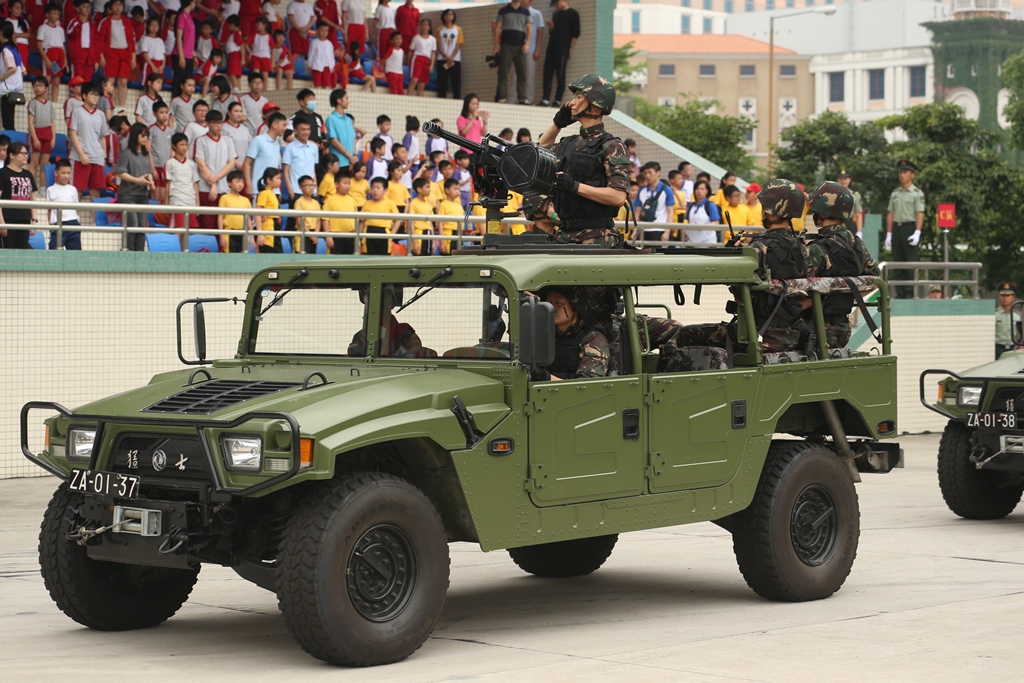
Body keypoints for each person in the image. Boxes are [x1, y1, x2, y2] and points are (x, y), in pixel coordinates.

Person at [676, 180, 813, 355]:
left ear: (769, 211)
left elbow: (741, 299)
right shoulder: (805, 249)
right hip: (793, 333)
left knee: (684, 334)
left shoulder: (756, 249)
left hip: (756, 335)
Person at [531, 74, 629, 248]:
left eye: (579, 97)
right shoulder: (568, 143)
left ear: (596, 106)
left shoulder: (612, 146)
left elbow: (618, 196)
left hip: (597, 240)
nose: (572, 103)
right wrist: (557, 123)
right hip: (563, 237)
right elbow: (538, 152)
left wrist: (574, 186)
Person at [802, 181, 880, 348]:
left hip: (814, 331)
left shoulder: (817, 249)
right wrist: (845, 292)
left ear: (822, 212)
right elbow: (875, 280)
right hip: (843, 330)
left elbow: (797, 289)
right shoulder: (857, 243)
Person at [531, 286, 610, 381]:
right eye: (549, 303)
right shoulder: (543, 335)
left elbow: (587, 388)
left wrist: (545, 377)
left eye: (558, 303)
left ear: (576, 308)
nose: (552, 308)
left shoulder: (593, 339)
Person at [885, 159, 925, 299]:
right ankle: (900, 293)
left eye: (906, 172)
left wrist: (917, 232)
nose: (902, 175)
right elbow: (891, 213)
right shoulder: (895, 193)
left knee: (910, 262)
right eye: (901, 172)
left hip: (910, 228)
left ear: (912, 175)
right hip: (897, 229)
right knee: (898, 262)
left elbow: (919, 213)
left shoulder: (917, 193)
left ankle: (910, 293)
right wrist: (889, 234)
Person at [193, 109, 237, 233]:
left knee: (223, 224)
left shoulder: (228, 140)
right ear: (207, 123)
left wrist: (216, 179)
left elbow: (231, 163)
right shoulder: (201, 141)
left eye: (221, 123)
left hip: (224, 188)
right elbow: (201, 165)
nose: (219, 126)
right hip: (205, 189)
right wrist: (212, 185)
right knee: (207, 224)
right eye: (215, 123)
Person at [115, 123, 156, 251]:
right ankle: (129, 254)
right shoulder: (126, 153)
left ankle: (139, 256)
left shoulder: (145, 154)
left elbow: (148, 172)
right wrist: (137, 180)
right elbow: (120, 172)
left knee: (141, 228)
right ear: (135, 135)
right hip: (128, 195)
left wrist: (151, 181)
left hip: (142, 195)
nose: (145, 139)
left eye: (147, 136)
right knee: (132, 226)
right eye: (143, 135)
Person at [68, 82, 110, 200]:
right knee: (76, 191)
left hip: (97, 157)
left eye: (97, 95)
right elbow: (73, 133)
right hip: (79, 157)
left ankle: (95, 219)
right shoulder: (77, 111)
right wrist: (81, 154)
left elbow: (102, 137)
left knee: (95, 192)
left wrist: (104, 157)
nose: (95, 97)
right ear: (84, 96)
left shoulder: (101, 114)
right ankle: (73, 218)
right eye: (92, 94)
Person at [97, 0, 136, 107]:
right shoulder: (105, 22)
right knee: (110, 81)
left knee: (123, 82)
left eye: (120, 5)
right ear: (110, 7)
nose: (118, 7)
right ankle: (110, 105)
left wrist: (133, 57)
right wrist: (101, 56)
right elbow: (100, 41)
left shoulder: (127, 22)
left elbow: (132, 41)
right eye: (115, 4)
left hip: (125, 54)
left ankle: (122, 106)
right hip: (111, 53)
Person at [539, 0, 578, 108]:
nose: (556, 7)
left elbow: (575, 33)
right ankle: (545, 99)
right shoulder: (556, 14)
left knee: (560, 74)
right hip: (551, 46)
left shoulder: (573, 14)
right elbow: (554, 30)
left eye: (556, 4)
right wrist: (551, 27)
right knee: (547, 73)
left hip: (563, 47)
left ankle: (557, 100)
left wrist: (570, 48)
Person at [493, 0, 531, 105]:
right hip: (506, 45)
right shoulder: (503, 10)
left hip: (520, 46)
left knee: (522, 72)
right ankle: (502, 97)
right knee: (503, 72)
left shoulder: (525, 11)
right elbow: (498, 28)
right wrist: (496, 46)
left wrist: (527, 44)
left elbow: (529, 29)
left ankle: (523, 97)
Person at [165, 132, 199, 249]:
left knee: (188, 232)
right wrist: (166, 203)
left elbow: (195, 183)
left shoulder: (192, 164)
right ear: (174, 146)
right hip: (177, 200)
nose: (184, 147)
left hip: (190, 199)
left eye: (186, 145)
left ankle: (185, 255)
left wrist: (197, 203)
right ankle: (175, 254)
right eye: (181, 145)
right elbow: (168, 184)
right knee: (179, 229)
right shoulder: (170, 163)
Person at [0, 142, 36, 249]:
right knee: (8, 253)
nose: (26, 156)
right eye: (23, 153)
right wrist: (2, 223)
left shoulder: (28, 175)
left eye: (27, 153)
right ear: (12, 155)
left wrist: (34, 220)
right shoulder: (2, 173)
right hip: (8, 220)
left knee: (21, 253)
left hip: (24, 220)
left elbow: (33, 199)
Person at [508, 0, 541, 105]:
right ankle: (511, 100)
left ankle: (529, 100)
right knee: (514, 76)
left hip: (530, 50)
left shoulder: (536, 14)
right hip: (516, 49)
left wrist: (537, 50)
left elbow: (540, 33)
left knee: (529, 76)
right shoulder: (516, 12)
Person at [632, 161, 673, 244]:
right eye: (645, 173)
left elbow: (670, 212)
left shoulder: (667, 190)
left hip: (659, 230)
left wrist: (667, 232)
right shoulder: (641, 191)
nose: (647, 176)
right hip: (644, 229)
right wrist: (634, 230)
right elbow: (638, 212)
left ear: (658, 173)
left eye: (650, 172)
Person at [47, 159, 83, 250]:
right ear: (56, 173)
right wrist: (51, 225)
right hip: (58, 224)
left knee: (75, 254)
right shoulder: (50, 190)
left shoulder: (73, 189)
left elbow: (76, 207)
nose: (66, 176)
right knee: (54, 251)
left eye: (68, 173)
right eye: (63, 173)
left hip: (73, 224)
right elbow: (49, 210)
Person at [27, 77, 55, 192]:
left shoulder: (49, 104)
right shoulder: (32, 103)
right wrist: (35, 138)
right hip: (37, 133)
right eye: (35, 86)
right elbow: (30, 122)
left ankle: (43, 188)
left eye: (40, 85)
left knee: (44, 164)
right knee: (34, 162)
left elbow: (52, 122)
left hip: (47, 134)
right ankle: (31, 188)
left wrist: (53, 138)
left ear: (46, 88)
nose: (37, 88)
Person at [321, 168, 358, 254]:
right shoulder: (330, 200)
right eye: (345, 183)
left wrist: (356, 235)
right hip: (335, 236)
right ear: (336, 184)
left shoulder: (352, 200)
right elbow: (325, 219)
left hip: (350, 235)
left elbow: (356, 220)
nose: (347, 186)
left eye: (349, 183)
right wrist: (328, 236)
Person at [362, 176, 399, 255]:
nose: (375, 190)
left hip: (384, 232)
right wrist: (359, 236)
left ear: (385, 190)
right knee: (368, 257)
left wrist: (392, 235)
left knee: (383, 257)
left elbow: (398, 220)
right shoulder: (366, 204)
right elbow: (362, 221)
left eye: (378, 188)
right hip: (368, 232)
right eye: (373, 188)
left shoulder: (390, 204)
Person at [37, 4, 66, 104]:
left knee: (56, 82)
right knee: (47, 80)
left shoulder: (60, 29)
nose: (57, 16)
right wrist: (46, 59)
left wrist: (65, 60)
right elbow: (39, 44)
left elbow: (63, 46)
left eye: (58, 13)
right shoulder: (43, 28)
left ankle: (54, 103)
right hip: (49, 53)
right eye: (54, 13)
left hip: (59, 54)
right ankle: (43, 101)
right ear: (47, 15)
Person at [217, 169, 252, 252]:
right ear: (229, 183)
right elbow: (220, 217)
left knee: (242, 258)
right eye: (237, 182)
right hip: (229, 233)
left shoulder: (245, 200)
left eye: (242, 182)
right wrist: (221, 235)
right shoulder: (224, 198)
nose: (240, 184)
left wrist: (252, 236)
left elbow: (249, 219)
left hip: (243, 233)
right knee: (230, 257)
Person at [0, 23, 24, 131]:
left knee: (7, 123)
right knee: (9, 121)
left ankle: (11, 145)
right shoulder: (14, 48)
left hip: (7, 89)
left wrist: (0, 78)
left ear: (1, 33)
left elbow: (12, 68)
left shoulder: (6, 50)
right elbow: (24, 71)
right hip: (15, 88)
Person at [681, 178, 719, 245]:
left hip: (708, 241)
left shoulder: (710, 205)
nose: (699, 191)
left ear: (707, 191)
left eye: (702, 189)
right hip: (693, 242)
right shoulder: (691, 206)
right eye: (697, 189)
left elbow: (716, 222)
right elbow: (688, 220)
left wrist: (703, 227)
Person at [67, 0, 96, 82]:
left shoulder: (92, 25)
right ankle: (75, 95)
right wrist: (80, 23)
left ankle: (85, 95)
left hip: (89, 56)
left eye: (88, 7)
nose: (87, 9)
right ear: (77, 9)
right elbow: (70, 33)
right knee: (77, 79)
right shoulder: (74, 21)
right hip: (78, 55)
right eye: (84, 7)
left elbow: (95, 43)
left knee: (87, 81)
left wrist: (96, 59)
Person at [435, 9, 461, 99]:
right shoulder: (440, 30)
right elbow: (438, 44)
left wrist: (452, 57)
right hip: (442, 59)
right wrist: (446, 56)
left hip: (455, 60)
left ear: (453, 16)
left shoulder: (458, 29)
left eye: (450, 14)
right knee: (442, 82)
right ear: (443, 16)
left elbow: (459, 44)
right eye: (446, 14)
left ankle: (457, 101)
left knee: (456, 82)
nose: (448, 16)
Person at [407, 18, 435, 97]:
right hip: (417, 59)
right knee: (414, 80)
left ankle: (421, 103)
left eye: (426, 25)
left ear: (429, 27)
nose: (424, 27)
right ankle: (407, 98)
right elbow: (410, 51)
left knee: (422, 84)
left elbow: (433, 53)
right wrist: (409, 62)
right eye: (422, 24)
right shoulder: (416, 38)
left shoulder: (432, 40)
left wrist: (432, 65)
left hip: (426, 61)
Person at [995, 281, 1021, 359]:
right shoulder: (994, 315)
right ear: (1000, 297)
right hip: (997, 349)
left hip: (1013, 348)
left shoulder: (1018, 316)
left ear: (1013, 297)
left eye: (1008, 295)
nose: (1005, 298)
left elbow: (1019, 334)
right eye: (1003, 295)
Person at [836, 168, 863, 237]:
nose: (843, 181)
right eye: (840, 178)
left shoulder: (855, 195)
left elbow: (859, 215)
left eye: (845, 178)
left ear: (850, 179)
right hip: (835, 224)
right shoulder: (832, 194)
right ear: (837, 179)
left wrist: (859, 232)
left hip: (849, 224)